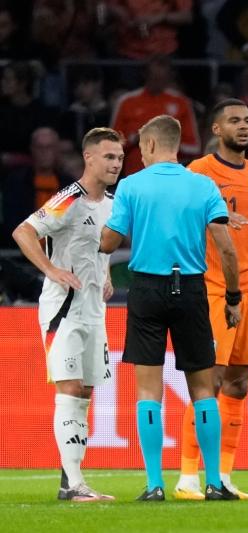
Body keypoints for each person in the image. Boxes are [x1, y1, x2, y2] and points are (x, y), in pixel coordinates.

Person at [99, 115, 242, 501]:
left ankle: (154, 485)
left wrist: (102, 231)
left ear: (148, 145)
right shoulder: (203, 185)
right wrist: (232, 297)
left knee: (148, 390)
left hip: (146, 288)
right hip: (192, 289)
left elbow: (110, 243)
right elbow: (226, 249)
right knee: (203, 390)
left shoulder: (131, 186)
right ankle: (214, 483)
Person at [174, 99, 248, 500]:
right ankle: (188, 477)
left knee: (239, 382)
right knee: (210, 379)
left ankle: (222, 476)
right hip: (213, 288)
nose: (244, 126)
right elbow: (177, 217)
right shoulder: (200, 171)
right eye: (234, 121)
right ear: (216, 130)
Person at [11, 127, 124, 502]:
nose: (116, 164)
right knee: (70, 388)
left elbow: (99, 248)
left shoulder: (112, 202)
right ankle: (74, 485)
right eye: (109, 157)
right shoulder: (68, 198)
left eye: (120, 158)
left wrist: (105, 275)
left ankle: (70, 482)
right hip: (64, 311)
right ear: (88, 158)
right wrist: (51, 270)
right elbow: (23, 231)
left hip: (95, 310)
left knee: (86, 392)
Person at [110, 55, 201, 177]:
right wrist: (134, 139)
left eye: (161, 78)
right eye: (154, 77)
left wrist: (167, 142)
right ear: (145, 75)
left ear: (169, 77)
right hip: (135, 177)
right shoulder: (126, 102)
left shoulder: (182, 103)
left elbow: (194, 148)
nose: (157, 82)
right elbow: (111, 145)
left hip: (170, 177)